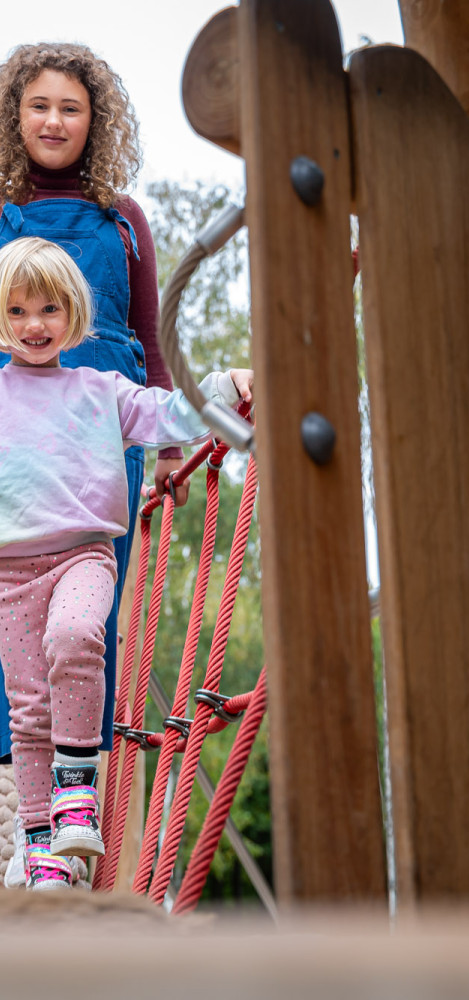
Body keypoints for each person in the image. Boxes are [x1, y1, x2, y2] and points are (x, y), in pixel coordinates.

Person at [0, 235, 253, 890]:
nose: (34, 325)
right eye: (19, 310)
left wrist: (225, 384)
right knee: (28, 710)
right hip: (9, 574)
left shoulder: (99, 390)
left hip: (84, 552)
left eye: (50, 309)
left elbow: (169, 413)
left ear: (74, 316)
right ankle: (41, 852)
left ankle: (75, 797)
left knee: (76, 636)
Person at [0, 42, 189, 776]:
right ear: (15, 116)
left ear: (94, 121)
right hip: (17, 429)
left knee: (84, 608)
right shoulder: (4, 214)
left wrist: (170, 449)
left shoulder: (121, 217)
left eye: (70, 108)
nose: (53, 120)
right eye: (38, 105)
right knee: (13, 602)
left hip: (105, 429)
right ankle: (20, 787)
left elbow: (147, 333)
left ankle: (79, 776)